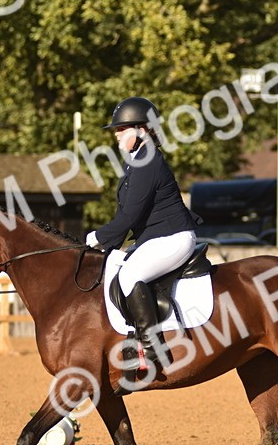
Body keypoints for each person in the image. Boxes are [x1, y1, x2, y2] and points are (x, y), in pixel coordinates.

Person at [85, 97, 202, 372]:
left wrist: (96, 238)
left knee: (129, 275)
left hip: (173, 238)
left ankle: (152, 349)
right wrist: (108, 246)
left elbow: (129, 217)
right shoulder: (135, 161)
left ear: (141, 129)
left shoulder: (147, 161)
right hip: (156, 238)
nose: (116, 135)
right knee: (115, 266)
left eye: (121, 129)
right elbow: (128, 214)